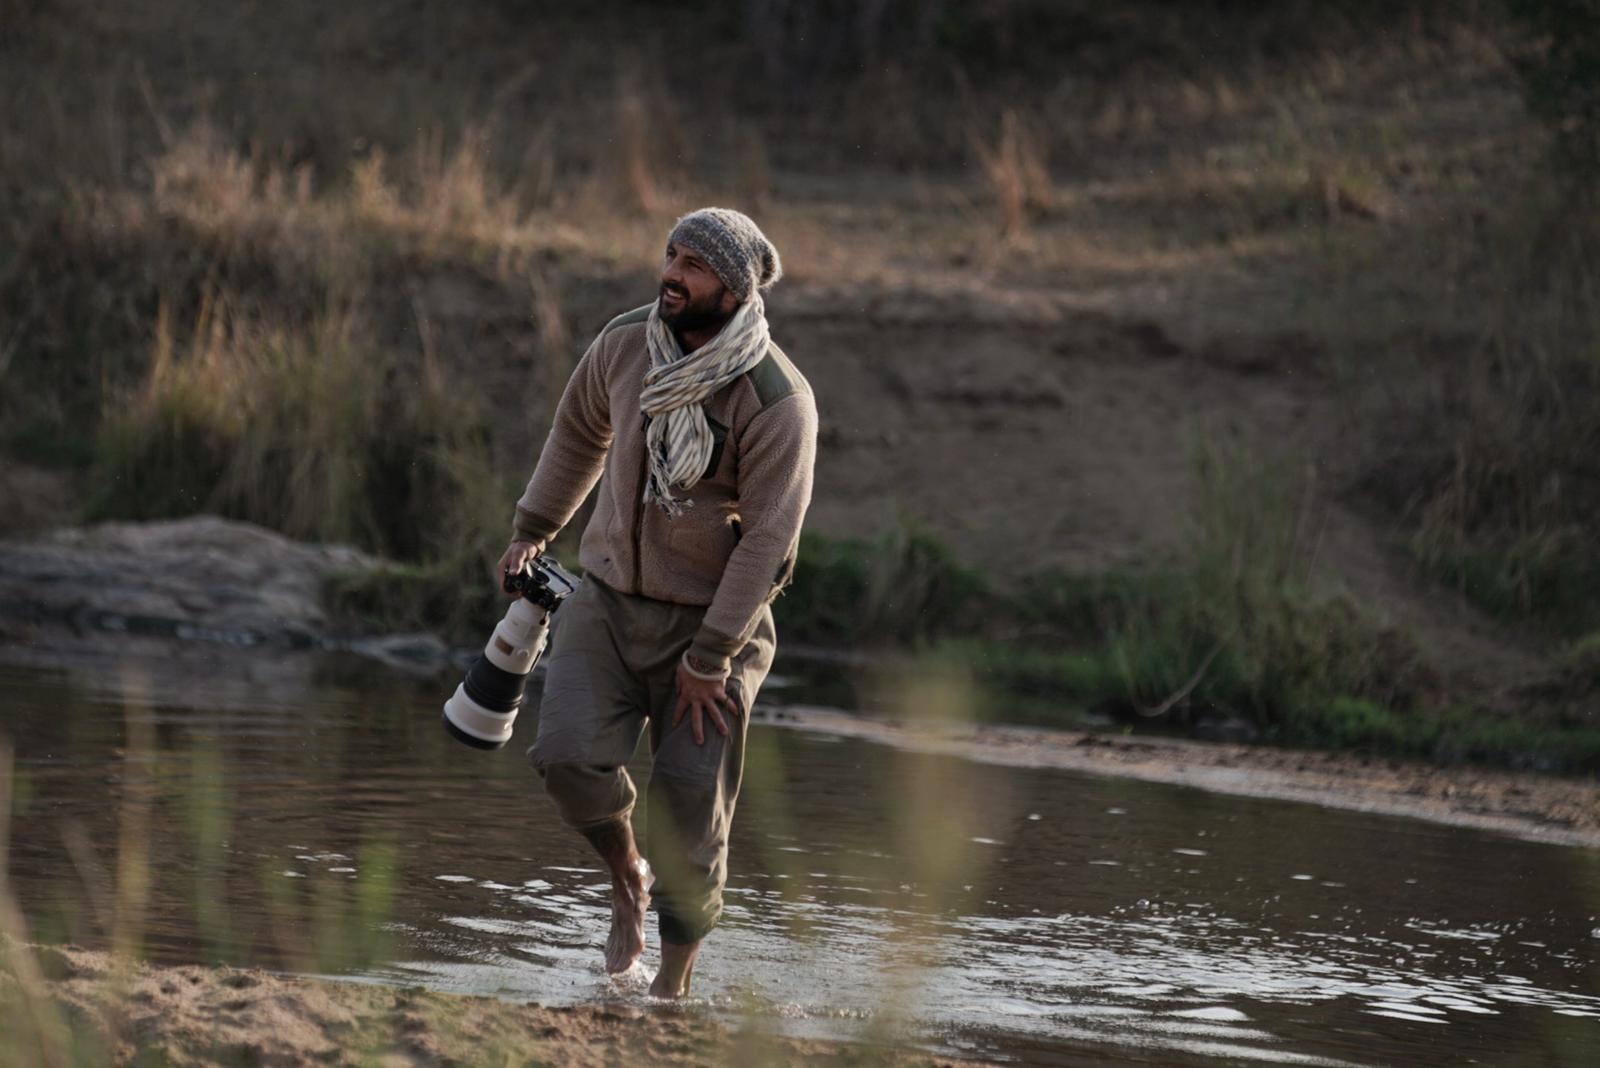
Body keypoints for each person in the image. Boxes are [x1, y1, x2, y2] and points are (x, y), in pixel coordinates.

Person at [496, 208, 817, 998]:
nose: (672, 273)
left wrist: (711, 658)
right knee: (565, 757)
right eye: (672, 254)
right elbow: (579, 434)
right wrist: (534, 529)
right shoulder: (623, 343)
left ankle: (669, 995)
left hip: (714, 630)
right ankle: (623, 877)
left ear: (735, 290)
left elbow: (769, 542)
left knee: (689, 809)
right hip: (604, 602)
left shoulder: (776, 398)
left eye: (696, 266)